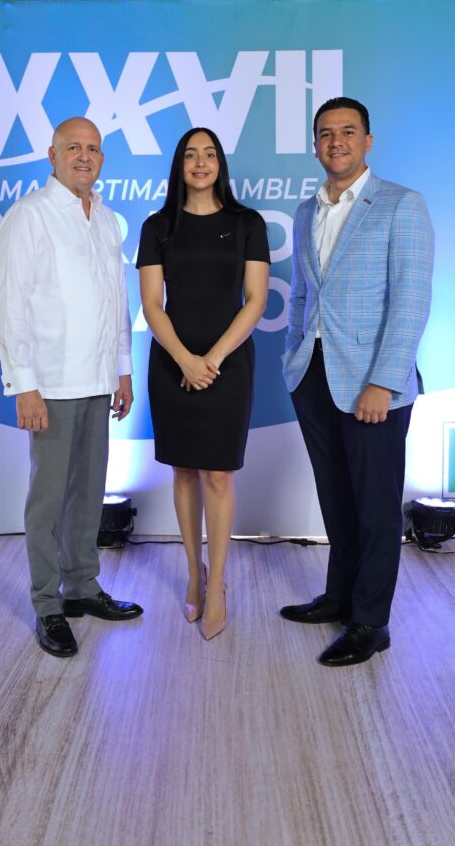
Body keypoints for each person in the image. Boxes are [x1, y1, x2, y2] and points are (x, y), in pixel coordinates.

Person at [280, 97, 434, 667]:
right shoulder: (307, 210)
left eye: (348, 131)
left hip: (373, 383)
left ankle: (371, 621)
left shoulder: (401, 204)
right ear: (314, 144)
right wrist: (293, 357)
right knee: (336, 497)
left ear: (368, 141)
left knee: (375, 507)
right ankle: (339, 597)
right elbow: (303, 295)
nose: (336, 141)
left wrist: (384, 382)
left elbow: (411, 299)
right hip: (314, 374)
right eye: (326, 133)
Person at [0, 117, 143, 658]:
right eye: (73, 147)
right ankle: (46, 604)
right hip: (51, 383)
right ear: (52, 155)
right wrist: (24, 385)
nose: (84, 156)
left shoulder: (104, 218)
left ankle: (81, 587)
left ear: (102, 159)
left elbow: (116, 301)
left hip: (98, 379)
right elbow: (10, 304)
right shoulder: (30, 215)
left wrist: (122, 369)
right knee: (48, 498)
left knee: (87, 492)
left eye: (93, 148)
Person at [137, 128, 270, 640]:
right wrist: (185, 360)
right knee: (184, 471)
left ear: (220, 164)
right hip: (172, 361)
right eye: (190, 155)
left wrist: (210, 359)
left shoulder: (246, 223)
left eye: (209, 154)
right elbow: (152, 305)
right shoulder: (157, 226)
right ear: (179, 164)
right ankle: (194, 572)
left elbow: (255, 301)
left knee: (217, 475)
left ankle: (218, 585)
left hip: (227, 363)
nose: (200, 163)